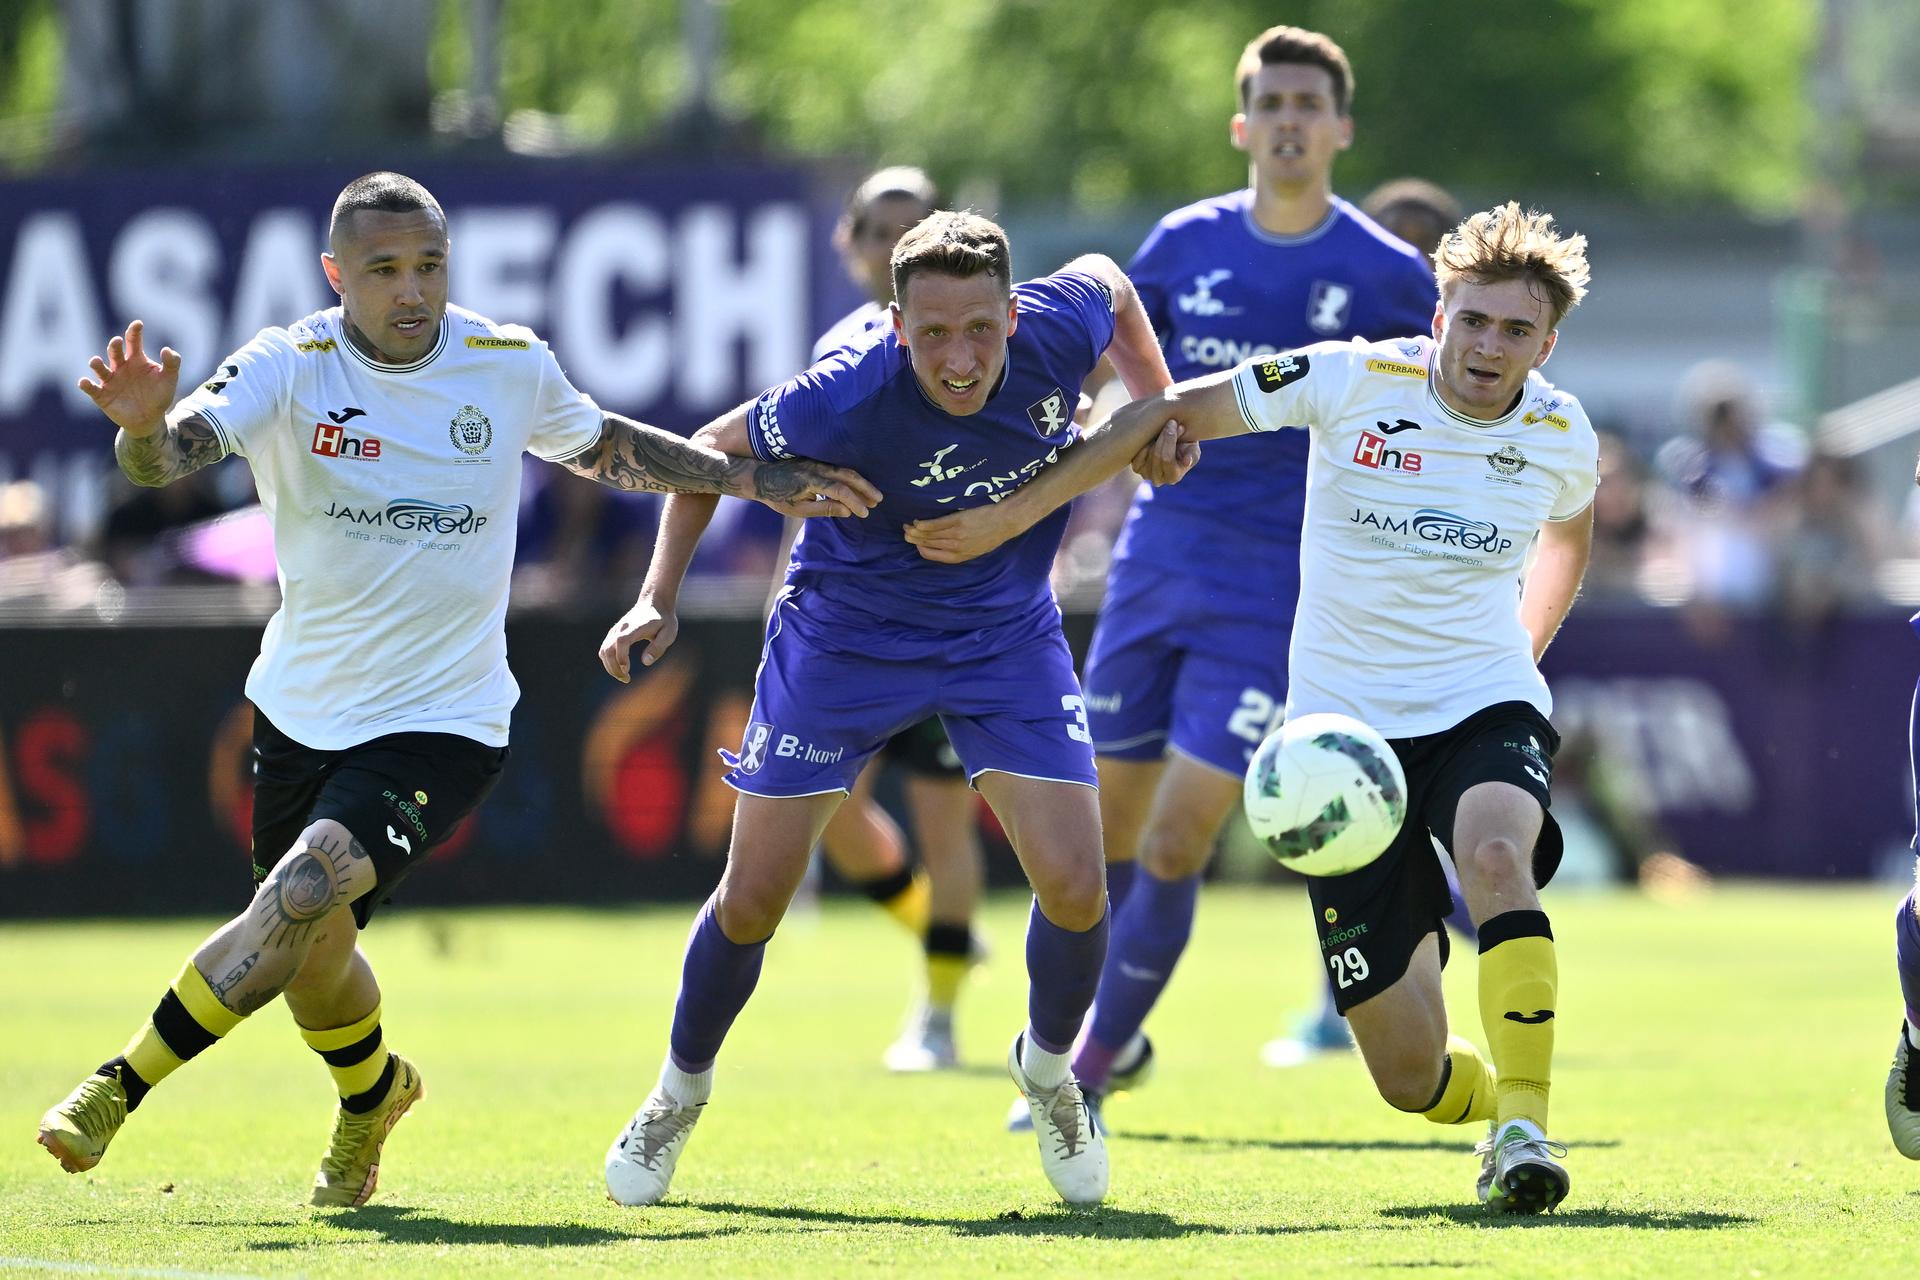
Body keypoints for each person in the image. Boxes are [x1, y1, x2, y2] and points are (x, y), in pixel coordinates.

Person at [34, 171, 875, 1207]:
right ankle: (373, 1092)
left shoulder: (505, 362)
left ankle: (115, 1088)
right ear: (336, 274)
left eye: (429, 265)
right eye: (385, 269)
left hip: (447, 717)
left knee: (300, 893)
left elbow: (609, 447)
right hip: (301, 710)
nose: (412, 289)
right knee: (310, 957)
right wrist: (139, 430)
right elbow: (167, 459)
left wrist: (753, 478)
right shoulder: (287, 365)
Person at [908, 201, 1598, 1214]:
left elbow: (1570, 538)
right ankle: (1499, 1110)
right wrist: (1017, 510)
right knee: (1410, 1078)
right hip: (1341, 742)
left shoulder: (1560, 431)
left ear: (1547, 344)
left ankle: (1529, 1125)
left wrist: (1520, 657)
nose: (1489, 346)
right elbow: (1172, 410)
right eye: (1474, 320)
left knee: (1497, 856)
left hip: (1480, 706)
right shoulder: (1353, 377)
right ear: (1439, 317)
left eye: (1515, 330)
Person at [597, 210, 1175, 1207]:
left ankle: (1051, 1076)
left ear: (1013, 313)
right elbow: (702, 451)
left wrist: (1158, 407)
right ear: (897, 327)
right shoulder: (848, 391)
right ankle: (676, 1094)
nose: (961, 358)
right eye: (934, 333)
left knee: (1079, 887)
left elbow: (1111, 282)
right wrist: (660, 593)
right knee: (753, 898)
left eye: (981, 329)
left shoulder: (1059, 324)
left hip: (1002, 640)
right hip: (845, 640)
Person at [1049, 24, 1438, 1114]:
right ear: (1241, 125)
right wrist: (1081, 435)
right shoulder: (1183, 243)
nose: (1289, 122)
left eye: (1308, 105)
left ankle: (1084, 1070)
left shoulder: (1385, 273)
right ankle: (1110, 1032)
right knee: (1104, 836)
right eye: (1271, 104)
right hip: (1156, 565)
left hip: (1278, 593)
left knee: (1181, 837)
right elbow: (1116, 371)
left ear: (1342, 128)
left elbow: (1440, 410)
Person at [804, 166, 991, 1072]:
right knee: (829, 812)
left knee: (945, 827)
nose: (894, 247)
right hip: (856, 623)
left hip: (952, 621)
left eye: (912, 228)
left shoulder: (986, 343)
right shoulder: (839, 348)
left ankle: (940, 1014)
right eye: (879, 231)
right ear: (850, 245)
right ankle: (941, 930)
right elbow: (806, 487)